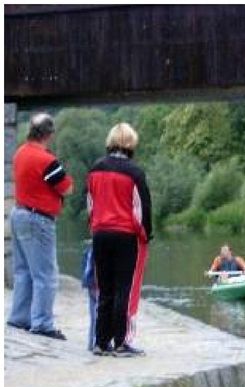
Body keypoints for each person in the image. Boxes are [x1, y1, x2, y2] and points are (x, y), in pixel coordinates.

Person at [6, 113, 74, 340]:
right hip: (39, 218)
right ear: (49, 134)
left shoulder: (19, 153)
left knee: (23, 270)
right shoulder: (47, 160)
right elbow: (66, 188)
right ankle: (42, 323)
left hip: (18, 214)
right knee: (46, 274)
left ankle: (19, 317)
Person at [87, 122, 152, 357]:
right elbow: (141, 210)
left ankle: (100, 342)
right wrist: (146, 235)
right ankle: (121, 342)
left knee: (104, 288)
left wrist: (93, 229)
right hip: (125, 236)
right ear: (131, 144)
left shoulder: (95, 169)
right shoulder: (135, 173)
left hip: (100, 234)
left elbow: (90, 205)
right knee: (123, 288)